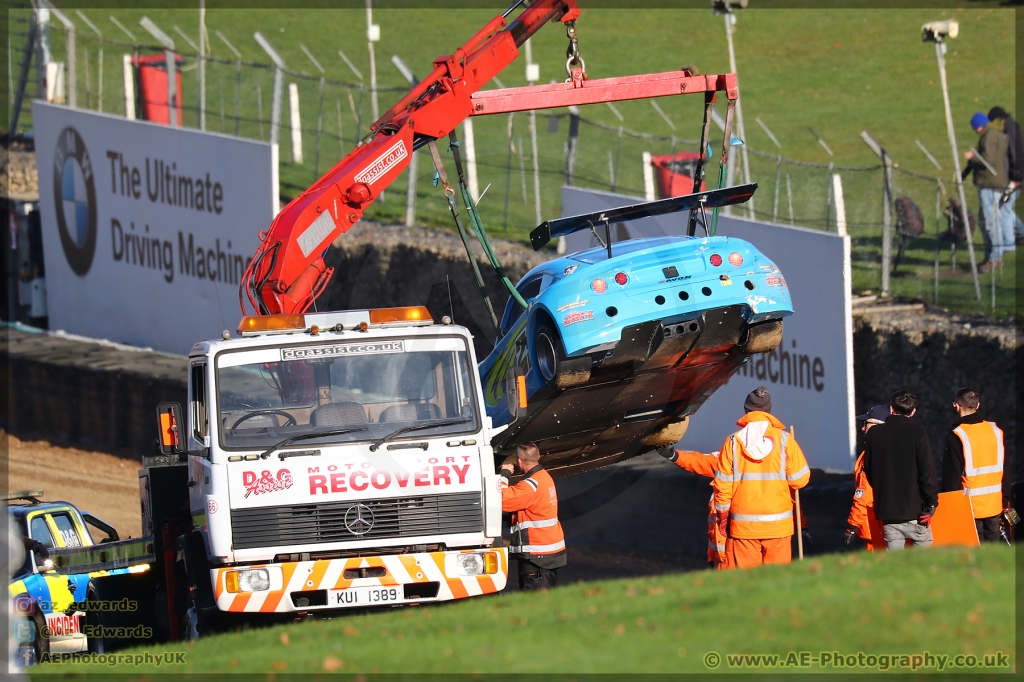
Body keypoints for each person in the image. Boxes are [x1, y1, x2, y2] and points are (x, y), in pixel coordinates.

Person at [712, 386, 811, 568]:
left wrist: (723, 516)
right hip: (778, 527)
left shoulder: (732, 442)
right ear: (769, 411)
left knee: (748, 584)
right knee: (778, 582)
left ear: (746, 411)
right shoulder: (785, 440)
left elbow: (722, 485)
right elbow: (800, 480)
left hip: (743, 527)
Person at [863, 391, 939, 551]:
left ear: (891, 409)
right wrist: (931, 503)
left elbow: (869, 470)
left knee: (895, 565)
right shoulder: (918, 433)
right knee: (923, 564)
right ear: (913, 412)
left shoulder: (874, 434)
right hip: (917, 510)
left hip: (888, 509)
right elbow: (927, 472)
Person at [940, 388, 1009, 542]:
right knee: (993, 557)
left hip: (970, 509)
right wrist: (1004, 501)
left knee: (975, 558)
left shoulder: (956, 436)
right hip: (994, 506)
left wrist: (952, 509)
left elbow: (951, 479)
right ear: (977, 406)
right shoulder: (996, 431)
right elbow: (1006, 469)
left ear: (956, 406)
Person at [499, 442, 566, 590]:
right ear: (538, 457)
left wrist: (504, 475)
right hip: (548, 550)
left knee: (535, 600)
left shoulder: (530, 485)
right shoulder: (544, 477)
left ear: (519, 462)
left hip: (537, 553)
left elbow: (501, 499)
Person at [657, 444, 732, 569]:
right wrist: (674, 456)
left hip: (734, 543)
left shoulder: (735, 449)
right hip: (729, 545)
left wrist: (674, 456)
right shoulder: (734, 453)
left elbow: (706, 462)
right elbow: (705, 461)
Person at [962, 112, 1009, 270]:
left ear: (978, 126)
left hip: (990, 183)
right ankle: (991, 255)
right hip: (996, 182)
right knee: (985, 220)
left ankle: (995, 257)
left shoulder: (988, 137)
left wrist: (971, 157)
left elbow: (987, 160)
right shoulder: (996, 134)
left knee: (990, 221)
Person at [844, 405, 888, 551]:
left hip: (874, 527)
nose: (863, 428)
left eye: (866, 424)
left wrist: (851, 526)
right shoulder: (893, 451)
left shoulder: (869, 455)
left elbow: (863, 495)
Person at [987, 106, 1024, 242]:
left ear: (1000, 120)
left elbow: (1018, 155)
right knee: (1002, 206)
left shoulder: (1011, 131)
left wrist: (1017, 178)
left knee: (1003, 207)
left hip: (1017, 178)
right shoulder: (1009, 128)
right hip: (1015, 176)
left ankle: (1016, 236)